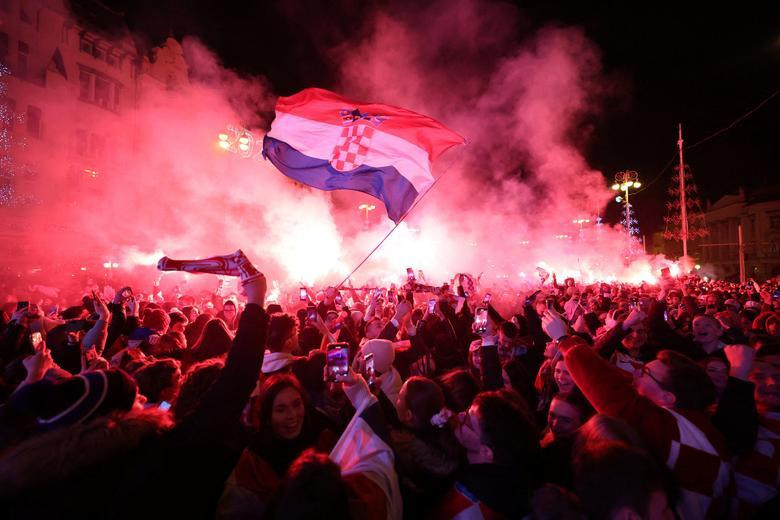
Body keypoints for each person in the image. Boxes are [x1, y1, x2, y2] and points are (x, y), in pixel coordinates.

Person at [559, 336, 731, 519]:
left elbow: (614, 393)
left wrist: (565, 342)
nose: (635, 374)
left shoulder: (672, 428)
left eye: (645, 372)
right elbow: (622, 379)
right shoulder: (696, 421)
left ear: (667, 398)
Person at [220, 373, 337, 517]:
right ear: (267, 415)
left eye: (297, 404)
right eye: (281, 410)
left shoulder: (322, 436)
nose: (292, 415)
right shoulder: (254, 461)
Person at [433, 389, 539, 519]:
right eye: (466, 410)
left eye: (467, 421)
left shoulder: (470, 509)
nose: (459, 415)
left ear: (486, 451)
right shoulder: (513, 480)